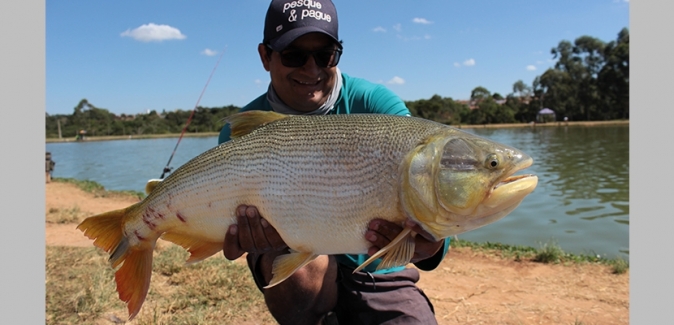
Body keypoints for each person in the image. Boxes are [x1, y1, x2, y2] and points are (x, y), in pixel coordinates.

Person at [219, 1, 450, 324]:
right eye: (293, 55)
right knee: (301, 280)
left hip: (375, 267)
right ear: (265, 56)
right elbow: (225, 232)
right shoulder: (242, 130)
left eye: (325, 54)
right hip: (295, 262)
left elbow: (428, 180)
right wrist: (235, 242)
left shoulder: (374, 103)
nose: (311, 69)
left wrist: (433, 244)